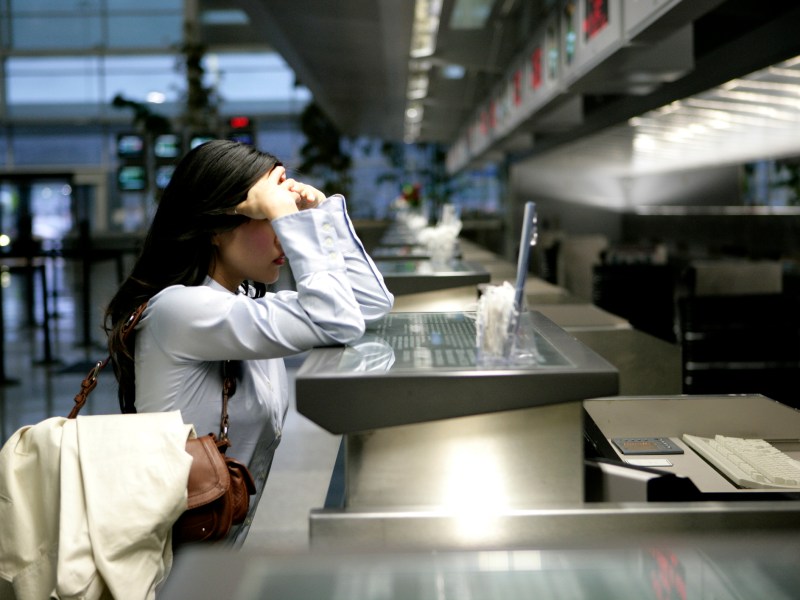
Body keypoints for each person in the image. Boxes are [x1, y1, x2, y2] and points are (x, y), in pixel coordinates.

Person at [104, 139, 394, 544]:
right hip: (163, 568)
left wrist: (322, 216)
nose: (283, 239)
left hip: (212, 553)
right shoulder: (181, 311)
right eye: (269, 217)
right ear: (217, 230)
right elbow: (337, 320)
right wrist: (292, 220)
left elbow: (367, 305)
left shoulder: (239, 306)